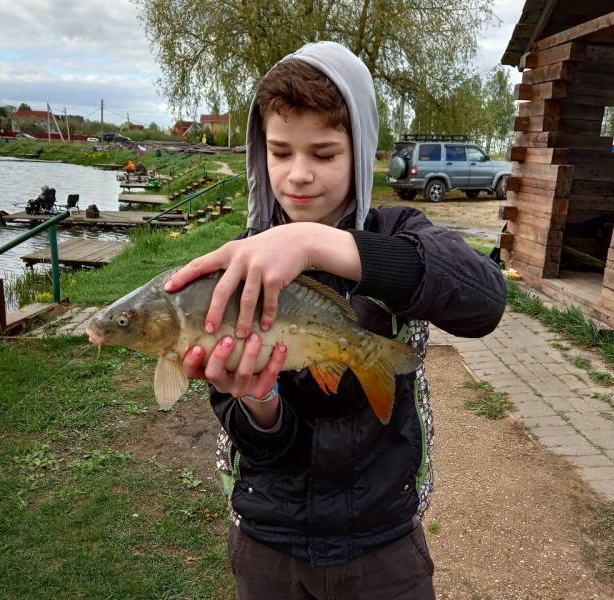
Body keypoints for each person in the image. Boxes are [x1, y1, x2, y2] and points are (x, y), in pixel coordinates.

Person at [164, 41, 506, 599]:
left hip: (384, 539)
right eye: (280, 153)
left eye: (323, 155)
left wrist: (315, 242)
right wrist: (259, 402)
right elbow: (253, 434)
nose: (298, 175)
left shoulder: (400, 232)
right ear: (260, 153)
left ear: (362, 150)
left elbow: (484, 301)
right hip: (270, 542)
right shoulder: (238, 265)